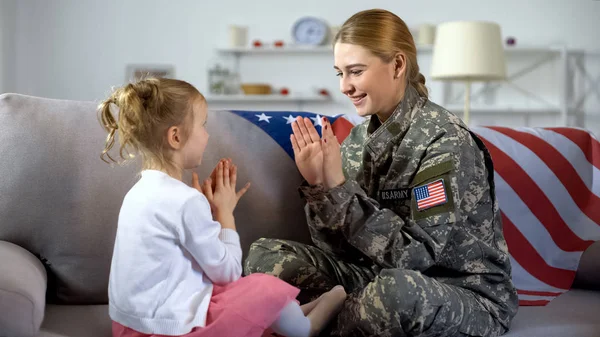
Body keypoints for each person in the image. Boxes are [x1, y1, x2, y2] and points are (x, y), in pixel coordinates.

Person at [244, 8, 519, 337]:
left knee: (393, 295)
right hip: (373, 277)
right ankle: (329, 316)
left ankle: (309, 320)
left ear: (398, 65)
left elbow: (417, 256)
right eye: (339, 74)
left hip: (457, 292)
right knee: (266, 258)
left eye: (356, 71)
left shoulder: (444, 142)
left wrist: (340, 188)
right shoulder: (358, 141)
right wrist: (321, 188)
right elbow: (335, 249)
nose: (345, 86)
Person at [99, 77, 347, 337]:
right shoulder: (184, 201)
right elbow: (229, 274)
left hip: (130, 328)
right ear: (175, 136)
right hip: (173, 329)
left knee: (258, 300)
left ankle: (296, 311)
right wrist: (224, 214)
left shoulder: (137, 193)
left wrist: (202, 216)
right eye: (202, 125)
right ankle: (309, 325)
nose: (207, 134)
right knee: (262, 287)